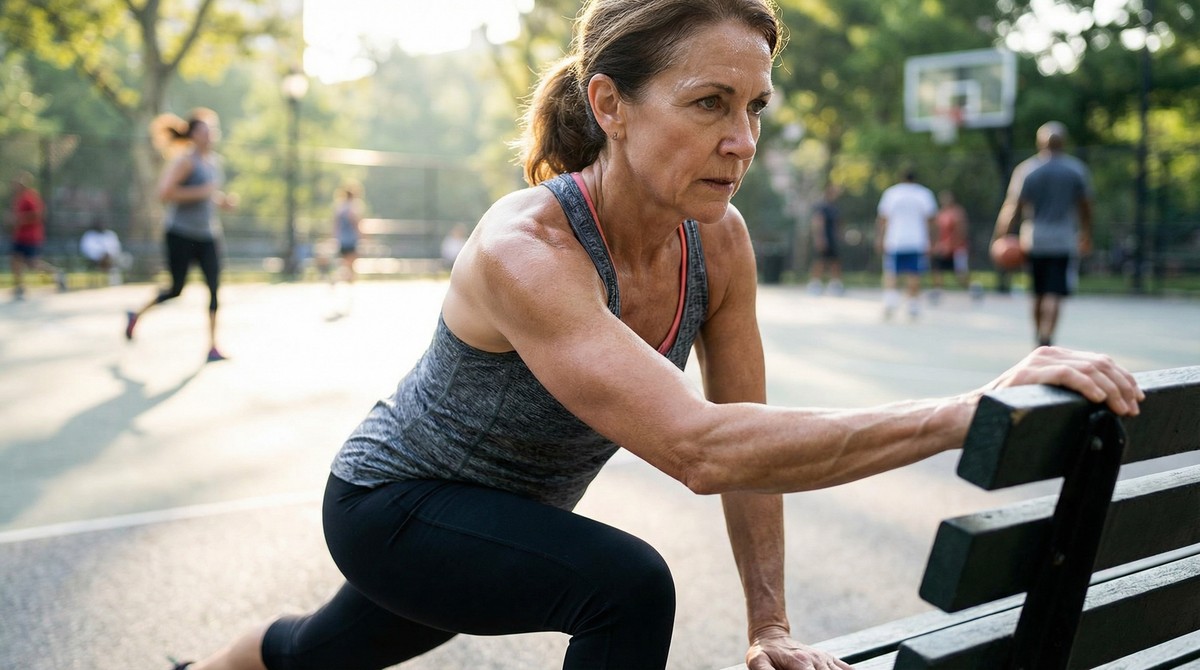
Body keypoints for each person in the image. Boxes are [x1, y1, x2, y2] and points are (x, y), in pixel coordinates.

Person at [167, 3, 1143, 670]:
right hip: (394, 505)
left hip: (501, 525)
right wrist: (966, 411)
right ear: (610, 107)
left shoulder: (718, 242)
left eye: (753, 106)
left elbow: (744, 425)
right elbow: (701, 448)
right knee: (627, 587)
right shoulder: (528, 247)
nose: (743, 140)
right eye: (710, 103)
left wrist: (770, 623)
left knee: (306, 657)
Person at [125, 108, 236, 363]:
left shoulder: (214, 162)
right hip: (181, 233)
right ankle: (136, 314)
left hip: (208, 234)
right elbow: (165, 193)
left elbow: (209, 193)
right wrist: (202, 192)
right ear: (194, 134)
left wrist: (221, 201)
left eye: (212, 130)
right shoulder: (186, 161)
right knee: (176, 289)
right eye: (205, 130)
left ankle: (212, 346)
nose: (210, 135)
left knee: (214, 288)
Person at [993, 121, 1094, 347]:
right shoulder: (1076, 170)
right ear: (1064, 142)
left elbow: (1012, 208)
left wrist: (1001, 236)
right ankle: (1048, 337)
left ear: (1039, 142)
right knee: (1054, 292)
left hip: (1035, 239)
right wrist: (1087, 233)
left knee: (1037, 292)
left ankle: (1038, 335)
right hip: (1062, 239)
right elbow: (1086, 207)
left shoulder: (1027, 170)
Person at [876, 168, 937, 319]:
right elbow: (931, 220)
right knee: (914, 272)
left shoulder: (891, 193)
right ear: (915, 179)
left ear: (901, 178)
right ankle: (913, 305)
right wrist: (932, 240)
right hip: (916, 240)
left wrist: (880, 238)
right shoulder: (924, 193)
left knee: (891, 272)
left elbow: (883, 219)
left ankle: (890, 301)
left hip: (895, 239)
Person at [7, 171, 66, 300]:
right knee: (15, 260)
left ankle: (58, 273)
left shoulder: (30, 198)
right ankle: (19, 287)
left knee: (33, 264)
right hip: (19, 236)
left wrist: (21, 219)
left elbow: (39, 215)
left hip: (31, 236)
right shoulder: (18, 199)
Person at [929, 190, 970, 303]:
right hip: (943, 248)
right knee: (937, 268)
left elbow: (961, 232)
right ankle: (938, 290)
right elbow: (937, 232)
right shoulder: (940, 214)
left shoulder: (957, 212)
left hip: (957, 249)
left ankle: (972, 289)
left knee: (960, 274)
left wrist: (951, 245)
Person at [806, 183, 843, 296]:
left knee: (834, 262)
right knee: (820, 261)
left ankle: (835, 284)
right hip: (824, 238)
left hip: (832, 239)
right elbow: (817, 222)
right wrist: (819, 239)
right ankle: (814, 284)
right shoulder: (822, 206)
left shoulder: (834, 207)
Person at [332, 184, 365, 284]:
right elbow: (355, 221)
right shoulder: (353, 207)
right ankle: (348, 281)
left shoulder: (339, 207)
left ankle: (343, 279)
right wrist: (361, 234)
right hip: (351, 238)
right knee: (351, 263)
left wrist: (335, 235)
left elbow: (335, 224)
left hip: (342, 238)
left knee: (345, 262)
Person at [79, 217, 125, 285]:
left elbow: (116, 247)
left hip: (111, 258)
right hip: (95, 259)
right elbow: (86, 249)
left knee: (124, 260)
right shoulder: (89, 235)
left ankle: (115, 285)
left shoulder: (110, 234)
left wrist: (108, 254)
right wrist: (101, 254)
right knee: (108, 262)